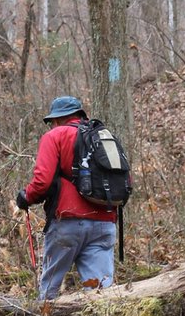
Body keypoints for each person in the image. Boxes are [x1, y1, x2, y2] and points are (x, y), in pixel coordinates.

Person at [15, 96, 117, 300]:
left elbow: (42, 181)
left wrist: (26, 196)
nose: (51, 125)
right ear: (80, 116)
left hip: (68, 222)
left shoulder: (55, 136)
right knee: (102, 296)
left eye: (52, 121)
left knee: (49, 291)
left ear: (59, 119)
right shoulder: (103, 136)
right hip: (105, 223)